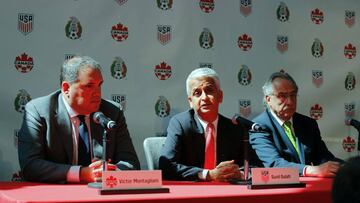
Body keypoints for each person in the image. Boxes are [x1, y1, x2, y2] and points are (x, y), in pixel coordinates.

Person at [18, 56, 140, 183]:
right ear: (66, 89)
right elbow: (30, 166)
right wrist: (81, 173)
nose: (98, 93)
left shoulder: (112, 112)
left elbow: (130, 162)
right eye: (89, 86)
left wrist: (113, 172)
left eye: (99, 85)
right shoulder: (39, 111)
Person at [159, 67, 261, 182]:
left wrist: (241, 173)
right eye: (197, 93)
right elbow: (166, 166)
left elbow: (255, 166)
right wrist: (208, 174)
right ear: (190, 101)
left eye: (209, 90)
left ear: (220, 96)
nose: (204, 97)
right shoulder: (180, 124)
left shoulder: (235, 128)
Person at [249, 71, 342, 177]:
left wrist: (348, 168)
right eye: (282, 96)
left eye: (293, 95)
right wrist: (311, 170)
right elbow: (274, 164)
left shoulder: (308, 123)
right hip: (276, 189)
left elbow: (323, 158)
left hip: (308, 188)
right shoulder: (258, 126)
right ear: (268, 99)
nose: (290, 101)